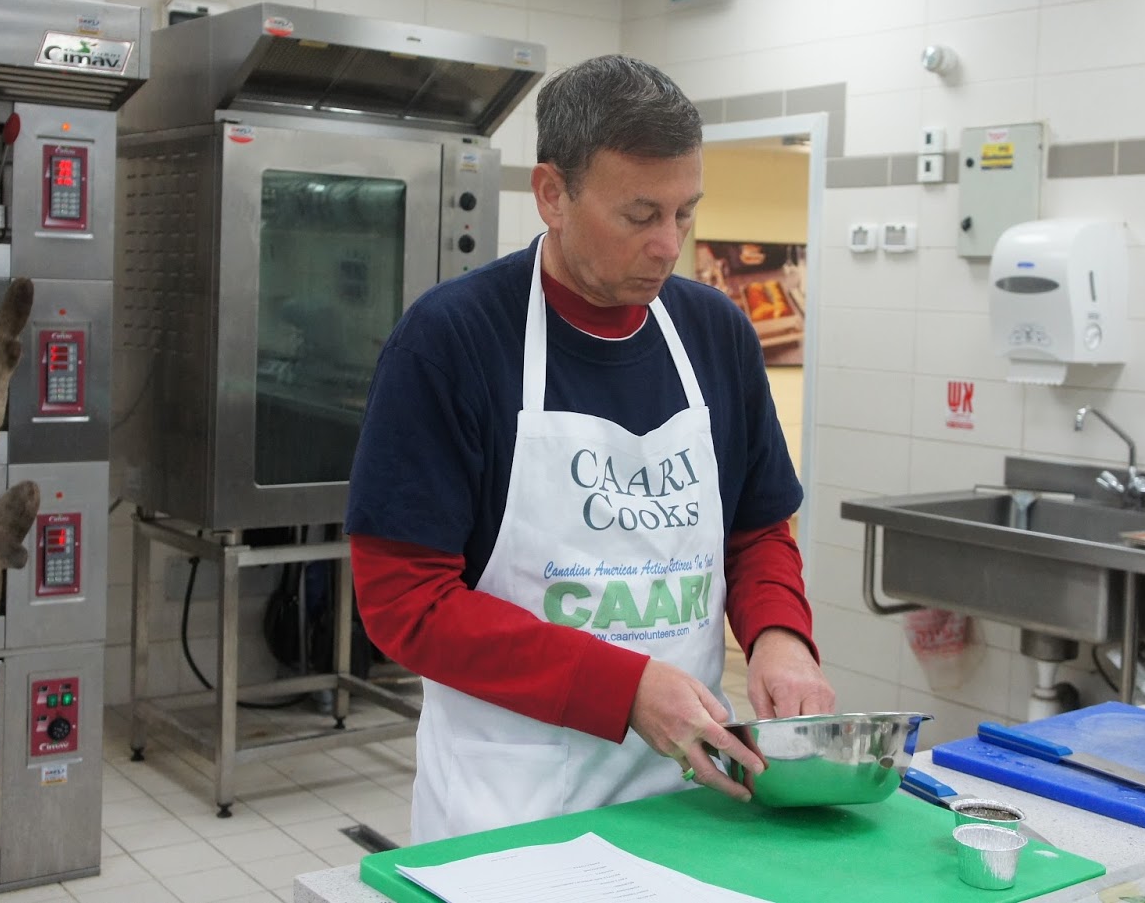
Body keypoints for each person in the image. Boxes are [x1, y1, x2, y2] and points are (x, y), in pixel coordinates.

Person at [345, 54, 835, 844]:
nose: (667, 244)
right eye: (639, 215)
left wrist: (780, 638)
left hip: (686, 789)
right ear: (552, 194)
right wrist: (623, 686)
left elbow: (755, 532)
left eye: (684, 212)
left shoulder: (715, 333)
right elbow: (404, 602)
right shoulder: (452, 340)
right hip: (512, 801)